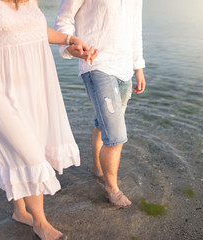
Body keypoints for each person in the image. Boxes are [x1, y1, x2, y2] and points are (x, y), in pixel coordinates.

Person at [0, 0, 97, 239]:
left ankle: (20, 211)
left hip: (31, 83)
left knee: (19, 149)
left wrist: (70, 40)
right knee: (28, 152)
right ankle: (40, 222)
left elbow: (34, 31)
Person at [55, 0, 146, 207]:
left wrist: (138, 67)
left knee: (102, 123)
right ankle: (112, 189)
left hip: (124, 69)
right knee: (115, 136)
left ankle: (99, 170)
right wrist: (71, 47)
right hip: (96, 64)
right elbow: (64, 18)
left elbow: (135, 29)